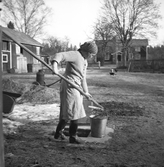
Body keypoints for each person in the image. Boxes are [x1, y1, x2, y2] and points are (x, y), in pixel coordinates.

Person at [50, 41, 98, 144]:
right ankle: (73, 136)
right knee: (73, 111)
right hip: (69, 86)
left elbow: (83, 77)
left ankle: (58, 134)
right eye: (92, 54)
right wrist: (55, 66)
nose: (92, 56)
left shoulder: (84, 61)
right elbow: (60, 55)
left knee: (70, 111)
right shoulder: (76, 55)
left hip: (77, 87)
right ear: (88, 52)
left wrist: (86, 92)